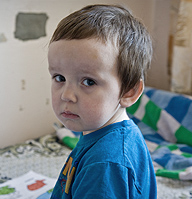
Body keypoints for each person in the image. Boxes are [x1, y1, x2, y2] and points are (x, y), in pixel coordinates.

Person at [48, 4, 157, 198]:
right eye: (59, 78)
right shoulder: (103, 130)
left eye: (88, 82)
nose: (66, 95)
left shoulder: (105, 164)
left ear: (129, 92)